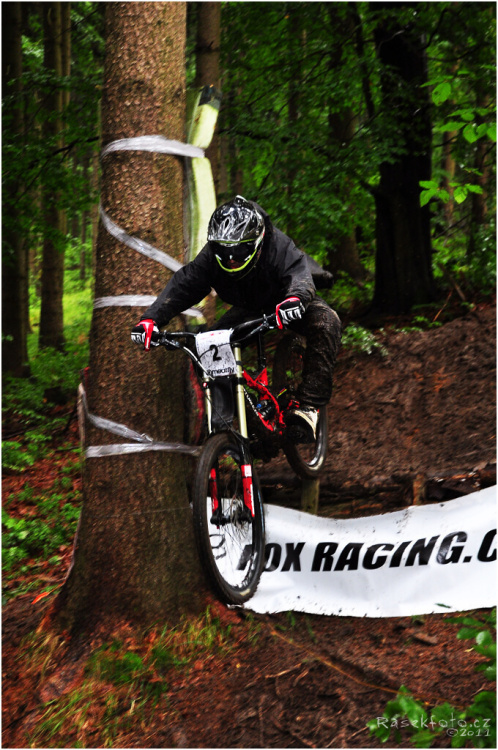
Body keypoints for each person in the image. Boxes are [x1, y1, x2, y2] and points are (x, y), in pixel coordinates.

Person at [132, 195, 342, 442]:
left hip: (287, 301)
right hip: (250, 308)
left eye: (239, 251)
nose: (231, 259)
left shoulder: (276, 245)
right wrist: (151, 320)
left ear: (257, 242)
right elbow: (185, 284)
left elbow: (298, 273)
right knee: (205, 347)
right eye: (224, 251)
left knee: (327, 322)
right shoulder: (211, 257)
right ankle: (244, 421)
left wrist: (295, 299)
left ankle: (308, 406)